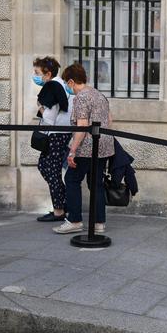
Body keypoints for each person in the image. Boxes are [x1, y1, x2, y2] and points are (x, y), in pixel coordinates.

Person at [53, 64, 115, 235]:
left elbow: (82, 126)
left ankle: (74, 220)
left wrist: (72, 150)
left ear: (72, 81)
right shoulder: (98, 94)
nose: (67, 86)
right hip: (104, 146)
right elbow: (110, 120)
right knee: (96, 184)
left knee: (72, 180)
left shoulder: (81, 97)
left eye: (67, 83)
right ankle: (99, 223)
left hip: (86, 147)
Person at [32, 56, 73, 222]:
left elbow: (49, 119)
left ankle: (59, 210)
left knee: (51, 171)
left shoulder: (52, 86)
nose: (35, 76)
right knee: (46, 167)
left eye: (37, 72)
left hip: (56, 134)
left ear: (47, 74)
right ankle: (63, 203)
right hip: (63, 133)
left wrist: (40, 108)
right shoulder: (62, 84)